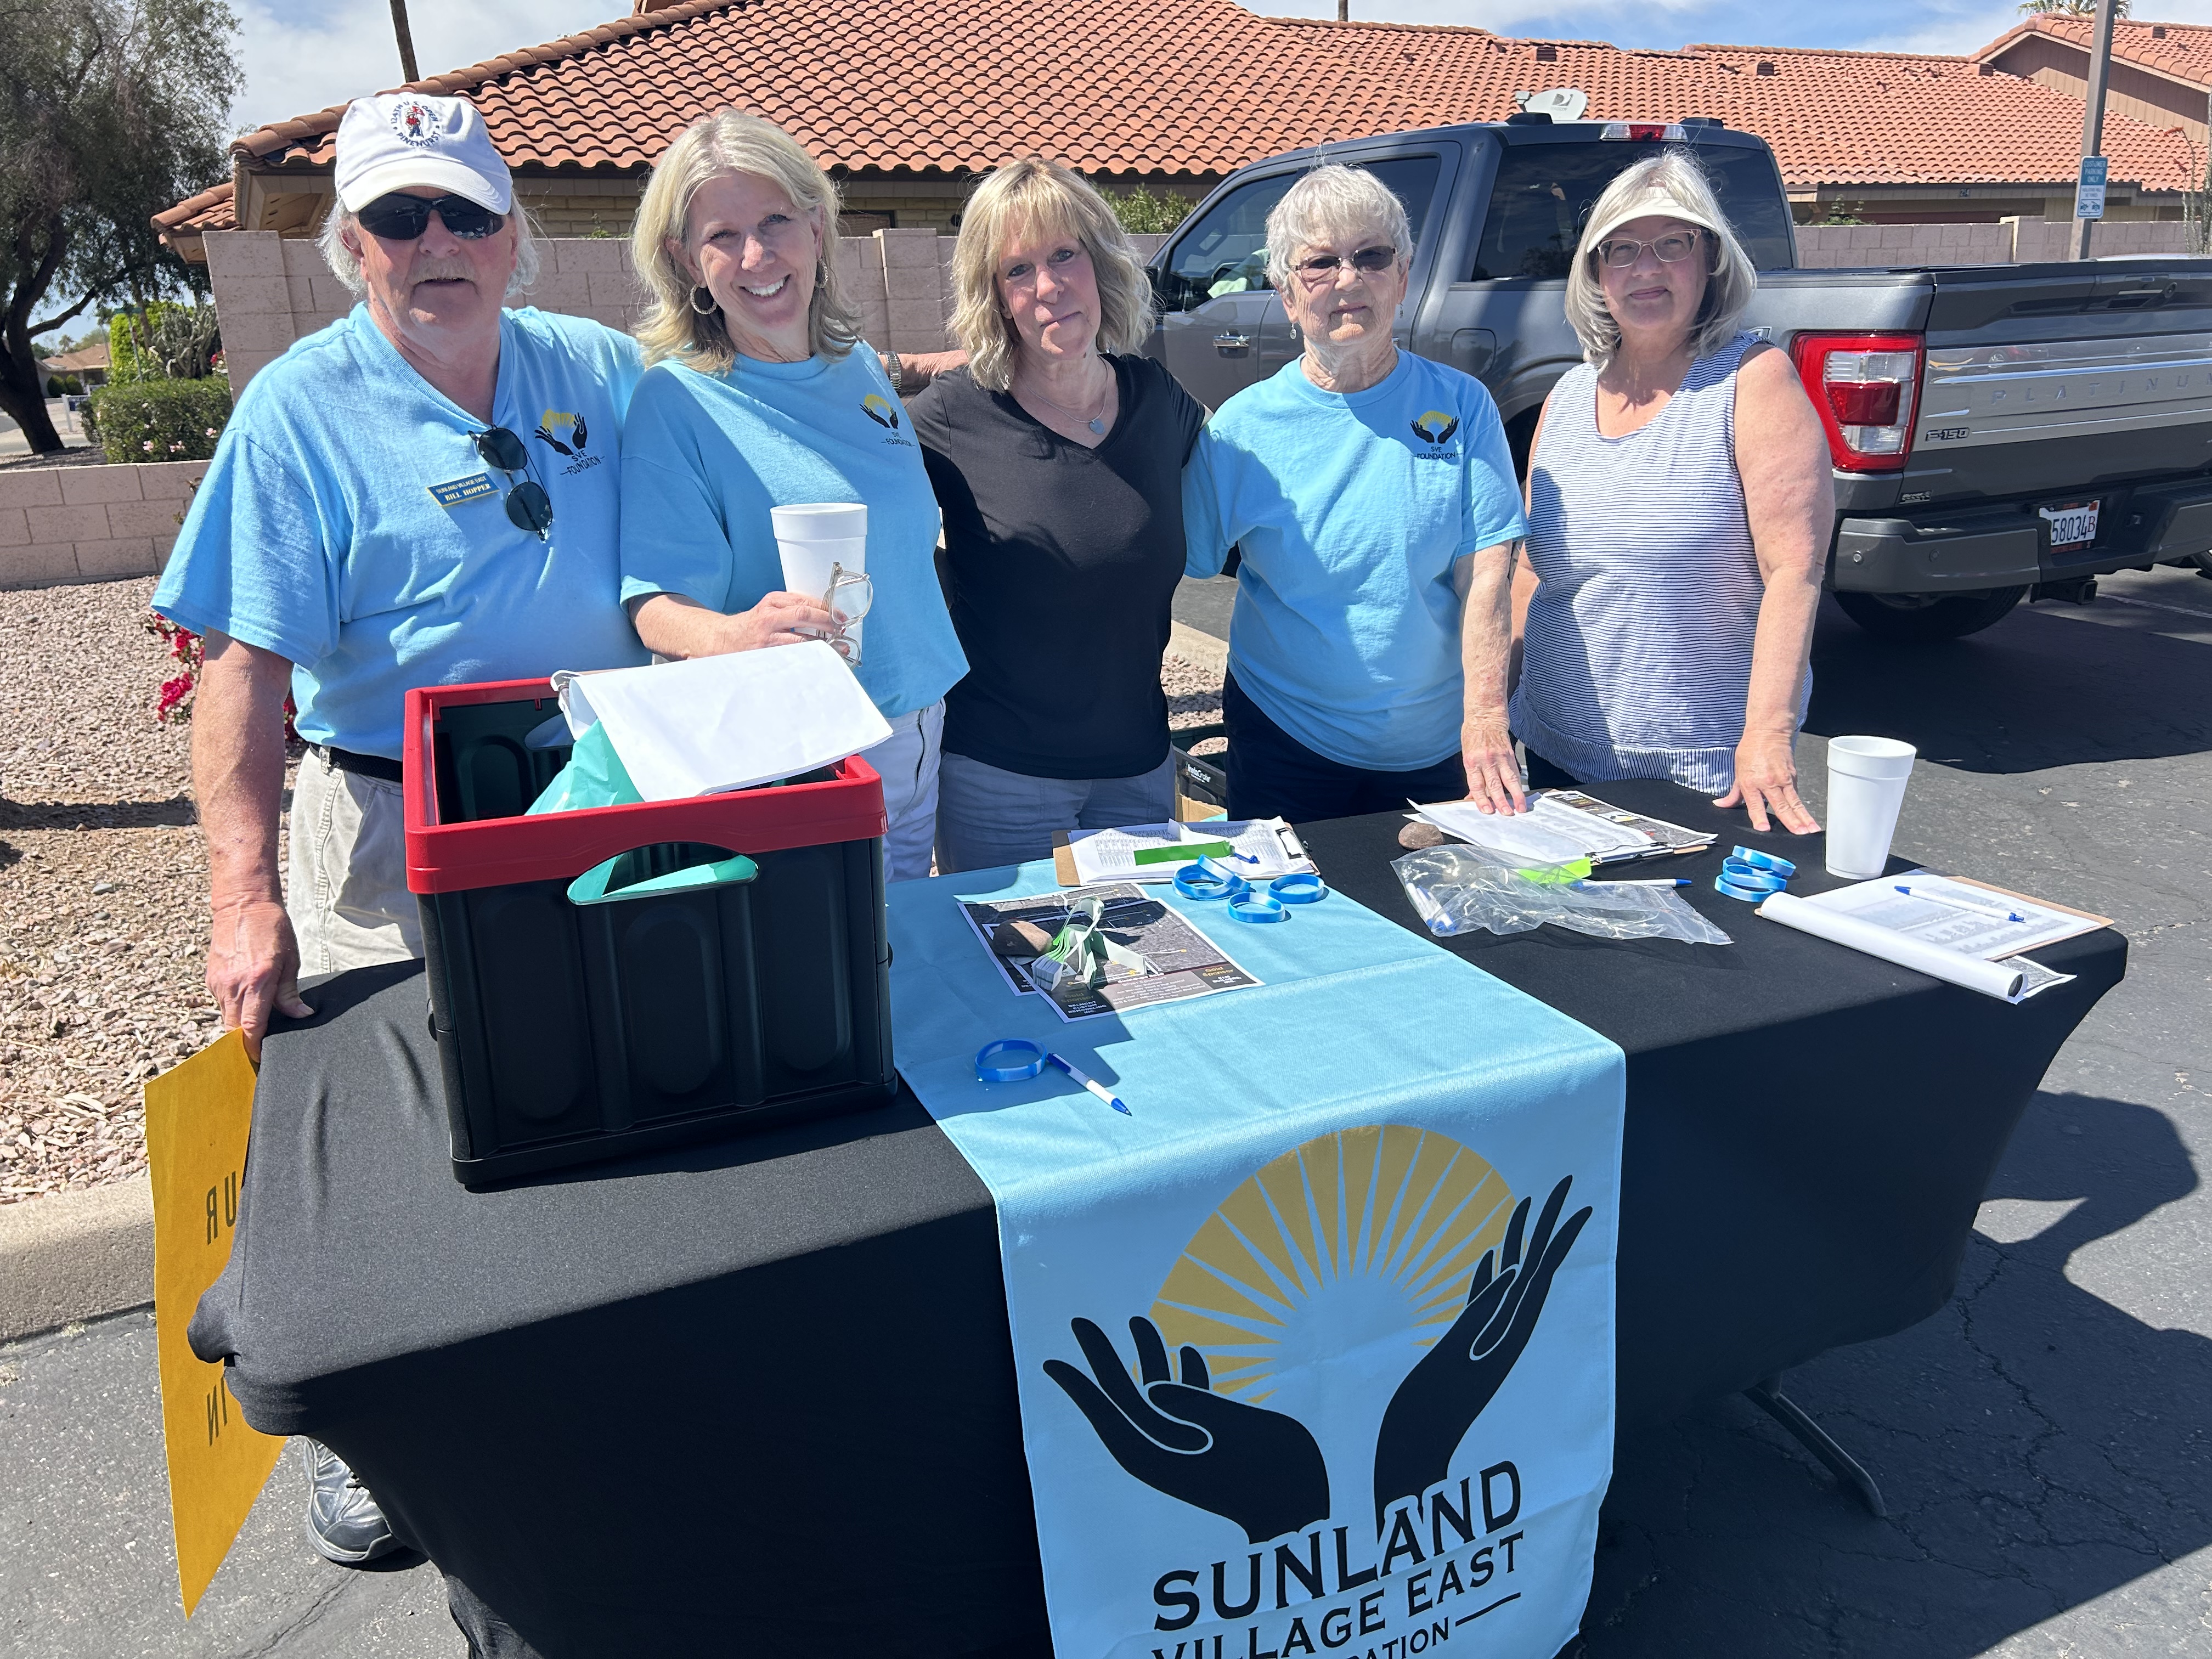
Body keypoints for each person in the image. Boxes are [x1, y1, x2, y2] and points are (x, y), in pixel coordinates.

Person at [152, 92, 651, 1569]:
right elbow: (237, 664)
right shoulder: (297, 411)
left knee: (596, 1099)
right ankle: (381, 1447)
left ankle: (586, 1376)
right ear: (349, 246)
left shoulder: (602, 371)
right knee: (387, 1151)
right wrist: (242, 893)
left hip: (594, 797)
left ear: (515, 240)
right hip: (389, 816)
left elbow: (762, 421)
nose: (436, 243)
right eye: (397, 217)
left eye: (464, 213)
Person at [618, 110, 967, 880]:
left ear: (817, 226)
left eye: (775, 220)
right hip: (800, 750)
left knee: (900, 961)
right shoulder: (676, 402)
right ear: (684, 259)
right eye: (722, 236)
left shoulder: (862, 372)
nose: (756, 255)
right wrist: (734, 634)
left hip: (915, 726)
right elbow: (652, 606)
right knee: (825, 974)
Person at [1182, 165, 1528, 823]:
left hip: (1439, 746)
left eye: (1371, 256)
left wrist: (1486, 717)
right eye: (1320, 263)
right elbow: (1183, 558)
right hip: (1286, 739)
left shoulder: (1463, 406)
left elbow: (1486, 573)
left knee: (1435, 921)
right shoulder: (1241, 431)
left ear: (1402, 278)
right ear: (1286, 295)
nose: (1348, 280)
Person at [1505, 151, 1830, 833]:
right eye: (1620, 249)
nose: (1645, 268)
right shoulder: (1566, 396)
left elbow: (1794, 571)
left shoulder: (1752, 380)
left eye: (1671, 244)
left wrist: (1766, 736)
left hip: (1706, 774)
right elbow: (1533, 569)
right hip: (1557, 755)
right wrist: (1487, 712)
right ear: (1595, 273)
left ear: (1709, 260)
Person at [911, 157, 1205, 872]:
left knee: (1150, 979)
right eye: (1017, 270)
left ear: (1100, 260)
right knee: (1003, 979)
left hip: (1138, 771)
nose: (1047, 288)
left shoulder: (1157, 400)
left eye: (1064, 255)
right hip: (999, 779)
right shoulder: (953, 417)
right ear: (996, 295)